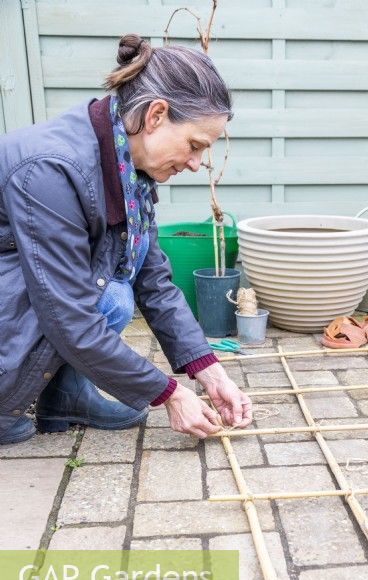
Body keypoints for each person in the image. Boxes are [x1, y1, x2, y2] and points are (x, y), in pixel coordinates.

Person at [0, 33, 252, 445]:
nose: (194, 163)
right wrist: (168, 395)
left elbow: (153, 278)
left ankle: (63, 396)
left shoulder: (125, 163)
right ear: (156, 115)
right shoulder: (50, 170)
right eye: (193, 145)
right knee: (99, 295)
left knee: (114, 291)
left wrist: (209, 370)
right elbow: (67, 316)